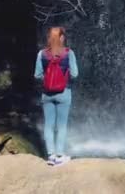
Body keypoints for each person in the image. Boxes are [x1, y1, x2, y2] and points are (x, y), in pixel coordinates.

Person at [34, 27, 79, 166]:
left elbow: (37, 75)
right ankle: (60, 155)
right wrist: (64, 77)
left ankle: (51, 156)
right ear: (61, 38)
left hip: (47, 94)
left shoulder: (42, 54)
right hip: (64, 93)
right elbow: (75, 74)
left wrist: (48, 80)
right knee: (61, 125)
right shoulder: (68, 53)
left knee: (48, 125)